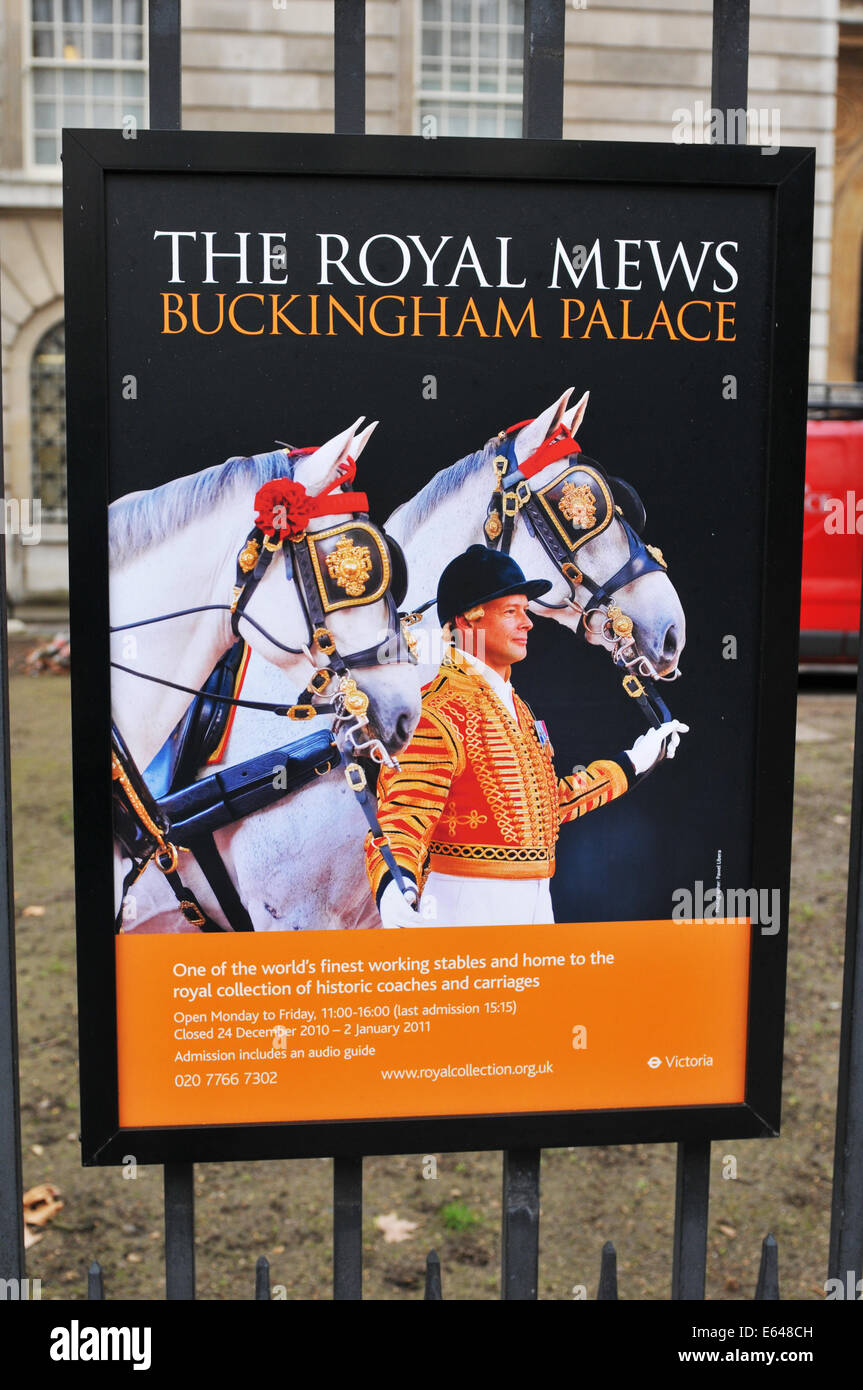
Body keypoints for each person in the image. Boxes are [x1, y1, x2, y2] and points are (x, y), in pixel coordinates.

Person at [364, 545, 687, 928]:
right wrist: (392, 885)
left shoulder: (516, 707)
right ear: (467, 622)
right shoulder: (435, 712)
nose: (528, 622)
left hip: (536, 902)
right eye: (511, 611)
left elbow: (550, 805)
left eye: (526, 610)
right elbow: (401, 819)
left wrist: (633, 762)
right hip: (463, 906)